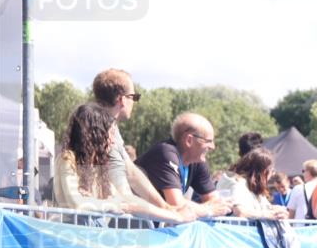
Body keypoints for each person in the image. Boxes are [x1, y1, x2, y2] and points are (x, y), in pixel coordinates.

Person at [53, 103, 192, 224]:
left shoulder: (97, 168)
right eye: (109, 134)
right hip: (73, 240)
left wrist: (171, 213)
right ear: (95, 134)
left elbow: (127, 200)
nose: (112, 141)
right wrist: (116, 205)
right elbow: (78, 204)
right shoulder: (67, 159)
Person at [91, 68, 179, 213]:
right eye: (134, 97)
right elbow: (125, 190)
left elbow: (131, 172)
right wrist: (170, 214)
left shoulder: (109, 127)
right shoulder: (99, 130)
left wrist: (165, 207)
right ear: (122, 99)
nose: (134, 102)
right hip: (90, 223)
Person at [136, 113, 231, 218]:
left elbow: (215, 201)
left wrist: (225, 207)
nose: (213, 147)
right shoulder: (165, 153)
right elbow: (177, 204)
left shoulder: (197, 161)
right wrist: (208, 210)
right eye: (208, 141)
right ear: (189, 140)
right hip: (128, 225)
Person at [215, 149, 289, 220]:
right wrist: (269, 215)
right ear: (263, 172)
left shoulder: (253, 186)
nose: (273, 174)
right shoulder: (238, 184)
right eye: (272, 171)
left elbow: (263, 207)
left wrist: (275, 209)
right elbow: (240, 212)